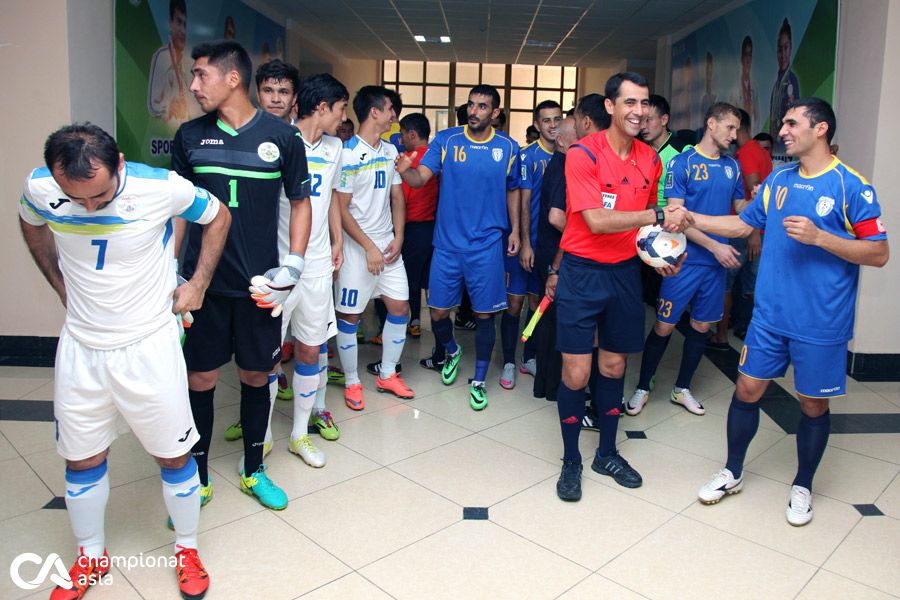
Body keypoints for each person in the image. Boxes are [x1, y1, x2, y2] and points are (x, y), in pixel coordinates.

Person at [20, 123, 231, 599]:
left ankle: (187, 547)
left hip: (147, 345)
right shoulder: (40, 186)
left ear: (118, 166)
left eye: (100, 196)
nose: (90, 207)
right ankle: (91, 555)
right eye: (78, 200)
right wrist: (58, 283)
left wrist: (196, 284)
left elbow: (218, 217)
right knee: (82, 458)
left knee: (173, 455)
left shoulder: (159, 186)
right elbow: (31, 222)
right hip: (82, 347)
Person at [694, 97, 888, 525]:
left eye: (791, 122)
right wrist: (691, 217)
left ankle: (802, 484)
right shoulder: (780, 177)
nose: (782, 130)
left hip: (821, 322)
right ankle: (733, 471)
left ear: (820, 129)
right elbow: (745, 225)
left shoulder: (850, 185)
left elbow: (878, 253)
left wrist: (822, 238)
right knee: (746, 390)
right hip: (769, 317)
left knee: (812, 406)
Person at [174, 40, 311, 512]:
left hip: (259, 285)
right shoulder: (190, 136)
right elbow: (178, 209)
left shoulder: (283, 137)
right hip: (202, 285)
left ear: (232, 78)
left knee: (258, 375)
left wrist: (293, 264)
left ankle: (254, 470)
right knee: (200, 380)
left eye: (200, 75)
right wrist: (172, 270)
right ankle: (198, 475)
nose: (193, 86)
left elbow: (300, 202)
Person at [548, 72, 690, 502]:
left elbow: (647, 219)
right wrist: (659, 217)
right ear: (610, 107)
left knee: (613, 369)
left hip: (625, 275)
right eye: (629, 102)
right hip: (581, 273)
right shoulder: (582, 154)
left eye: (644, 103)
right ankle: (571, 459)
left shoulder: (651, 158)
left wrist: (661, 252)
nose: (638, 111)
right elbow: (596, 220)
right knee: (577, 373)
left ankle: (606, 453)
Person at [397, 84, 521, 411]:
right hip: (448, 245)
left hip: (487, 246)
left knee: (483, 315)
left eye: (482, 106)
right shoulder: (447, 140)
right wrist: (406, 171)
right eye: (471, 104)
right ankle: (452, 351)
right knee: (437, 312)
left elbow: (513, 191)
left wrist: (516, 232)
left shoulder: (508, 147)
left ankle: (478, 379)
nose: (474, 111)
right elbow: (421, 178)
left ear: (495, 113)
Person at [626, 102, 746, 418]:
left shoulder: (733, 167)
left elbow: (742, 206)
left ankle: (682, 388)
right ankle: (642, 387)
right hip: (686, 262)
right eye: (730, 127)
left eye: (736, 129)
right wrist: (716, 246)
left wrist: (760, 201)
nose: (735, 135)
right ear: (711, 123)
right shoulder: (682, 163)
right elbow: (677, 218)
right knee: (664, 326)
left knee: (701, 326)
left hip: (716, 266)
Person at [259, 64, 349, 466]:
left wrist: (337, 241)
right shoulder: (279, 140)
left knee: (311, 350)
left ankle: (298, 435)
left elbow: (329, 198)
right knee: (267, 356)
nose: (344, 119)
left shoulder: (335, 149)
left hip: (315, 267)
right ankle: (260, 437)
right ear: (324, 107)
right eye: (341, 110)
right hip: (277, 267)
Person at [333, 85, 415, 411]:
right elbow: (340, 209)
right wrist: (368, 247)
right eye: (390, 109)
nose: (395, 115)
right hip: (357, 249)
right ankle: (352, 381)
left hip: (388, 246)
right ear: (374, 112)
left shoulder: (390, 151)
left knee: (400, 308)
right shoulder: (347, 153)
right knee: (349, 317)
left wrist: (399, 236)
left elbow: (397, 197)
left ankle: (387, 374)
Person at [501, 99, 562, 390]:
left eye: (557, 119)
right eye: (546, 120)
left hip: (550, 249)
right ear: (537, 125)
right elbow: (524, 202)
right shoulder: (528, 156)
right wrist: (525, 243)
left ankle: (529, 357)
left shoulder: (567, 156)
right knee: (514, 304)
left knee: (538, 305)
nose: (552, 125)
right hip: (526, 244)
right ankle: (508, 362)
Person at [710, 108, 772, 349]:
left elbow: (754, 190)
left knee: (726, 284)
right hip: (759, 231)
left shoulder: (746, 154)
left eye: (734, 128)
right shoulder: (761, 152)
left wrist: (753, 232)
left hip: (744, 231)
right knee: (752, 287)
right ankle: (758, 337)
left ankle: (721, 335)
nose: (732, 134)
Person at [531, 113, 578, 404]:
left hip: (552, 248)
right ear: (561, 141)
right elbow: (557, 217)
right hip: (555, 252)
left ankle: (546, 385)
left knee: (551, 319)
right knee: (555, 320)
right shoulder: (563, 165)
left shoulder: (561, 162)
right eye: (578, 132)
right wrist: (589, 228)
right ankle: (552, 386)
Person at [640, 94, 690, 306]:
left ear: (664, 119)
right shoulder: (639, 150)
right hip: (642, 223)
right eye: (640, 120)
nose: (643, 125)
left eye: (649, 119)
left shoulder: (683, 151)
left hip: (670, 227)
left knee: (666, 291)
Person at [398, 112, 438, 337]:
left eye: (403, 134)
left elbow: (402, 199)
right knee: (429, 283)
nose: (401, 139)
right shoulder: (436, 157)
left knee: (404, 281)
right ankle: (435, 330)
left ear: (412, 134)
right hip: (433, 228)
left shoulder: (410, 160)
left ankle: (404, 325)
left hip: (413, 229)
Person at [147, 0, 197, 123]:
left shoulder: (189, 62)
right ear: (170, 22)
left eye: (185, 24)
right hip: (163, 134)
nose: (182, 30)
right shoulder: (161, 56)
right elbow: (153, 105)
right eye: (179, 22)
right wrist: (169, 105)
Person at [768, 19, 801, 144]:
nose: (782, 54)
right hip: (776, 148)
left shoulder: (791, 81)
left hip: (785, 148)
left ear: (791, 48)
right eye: (780, 49)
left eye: (786, 48)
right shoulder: (776, 86)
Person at [732, 36, 759, 128]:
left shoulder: (754, 87)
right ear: (741, 59)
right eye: (746, 55)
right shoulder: (735, 89)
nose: (748, 60)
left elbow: (757, 117)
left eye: (750, 55)